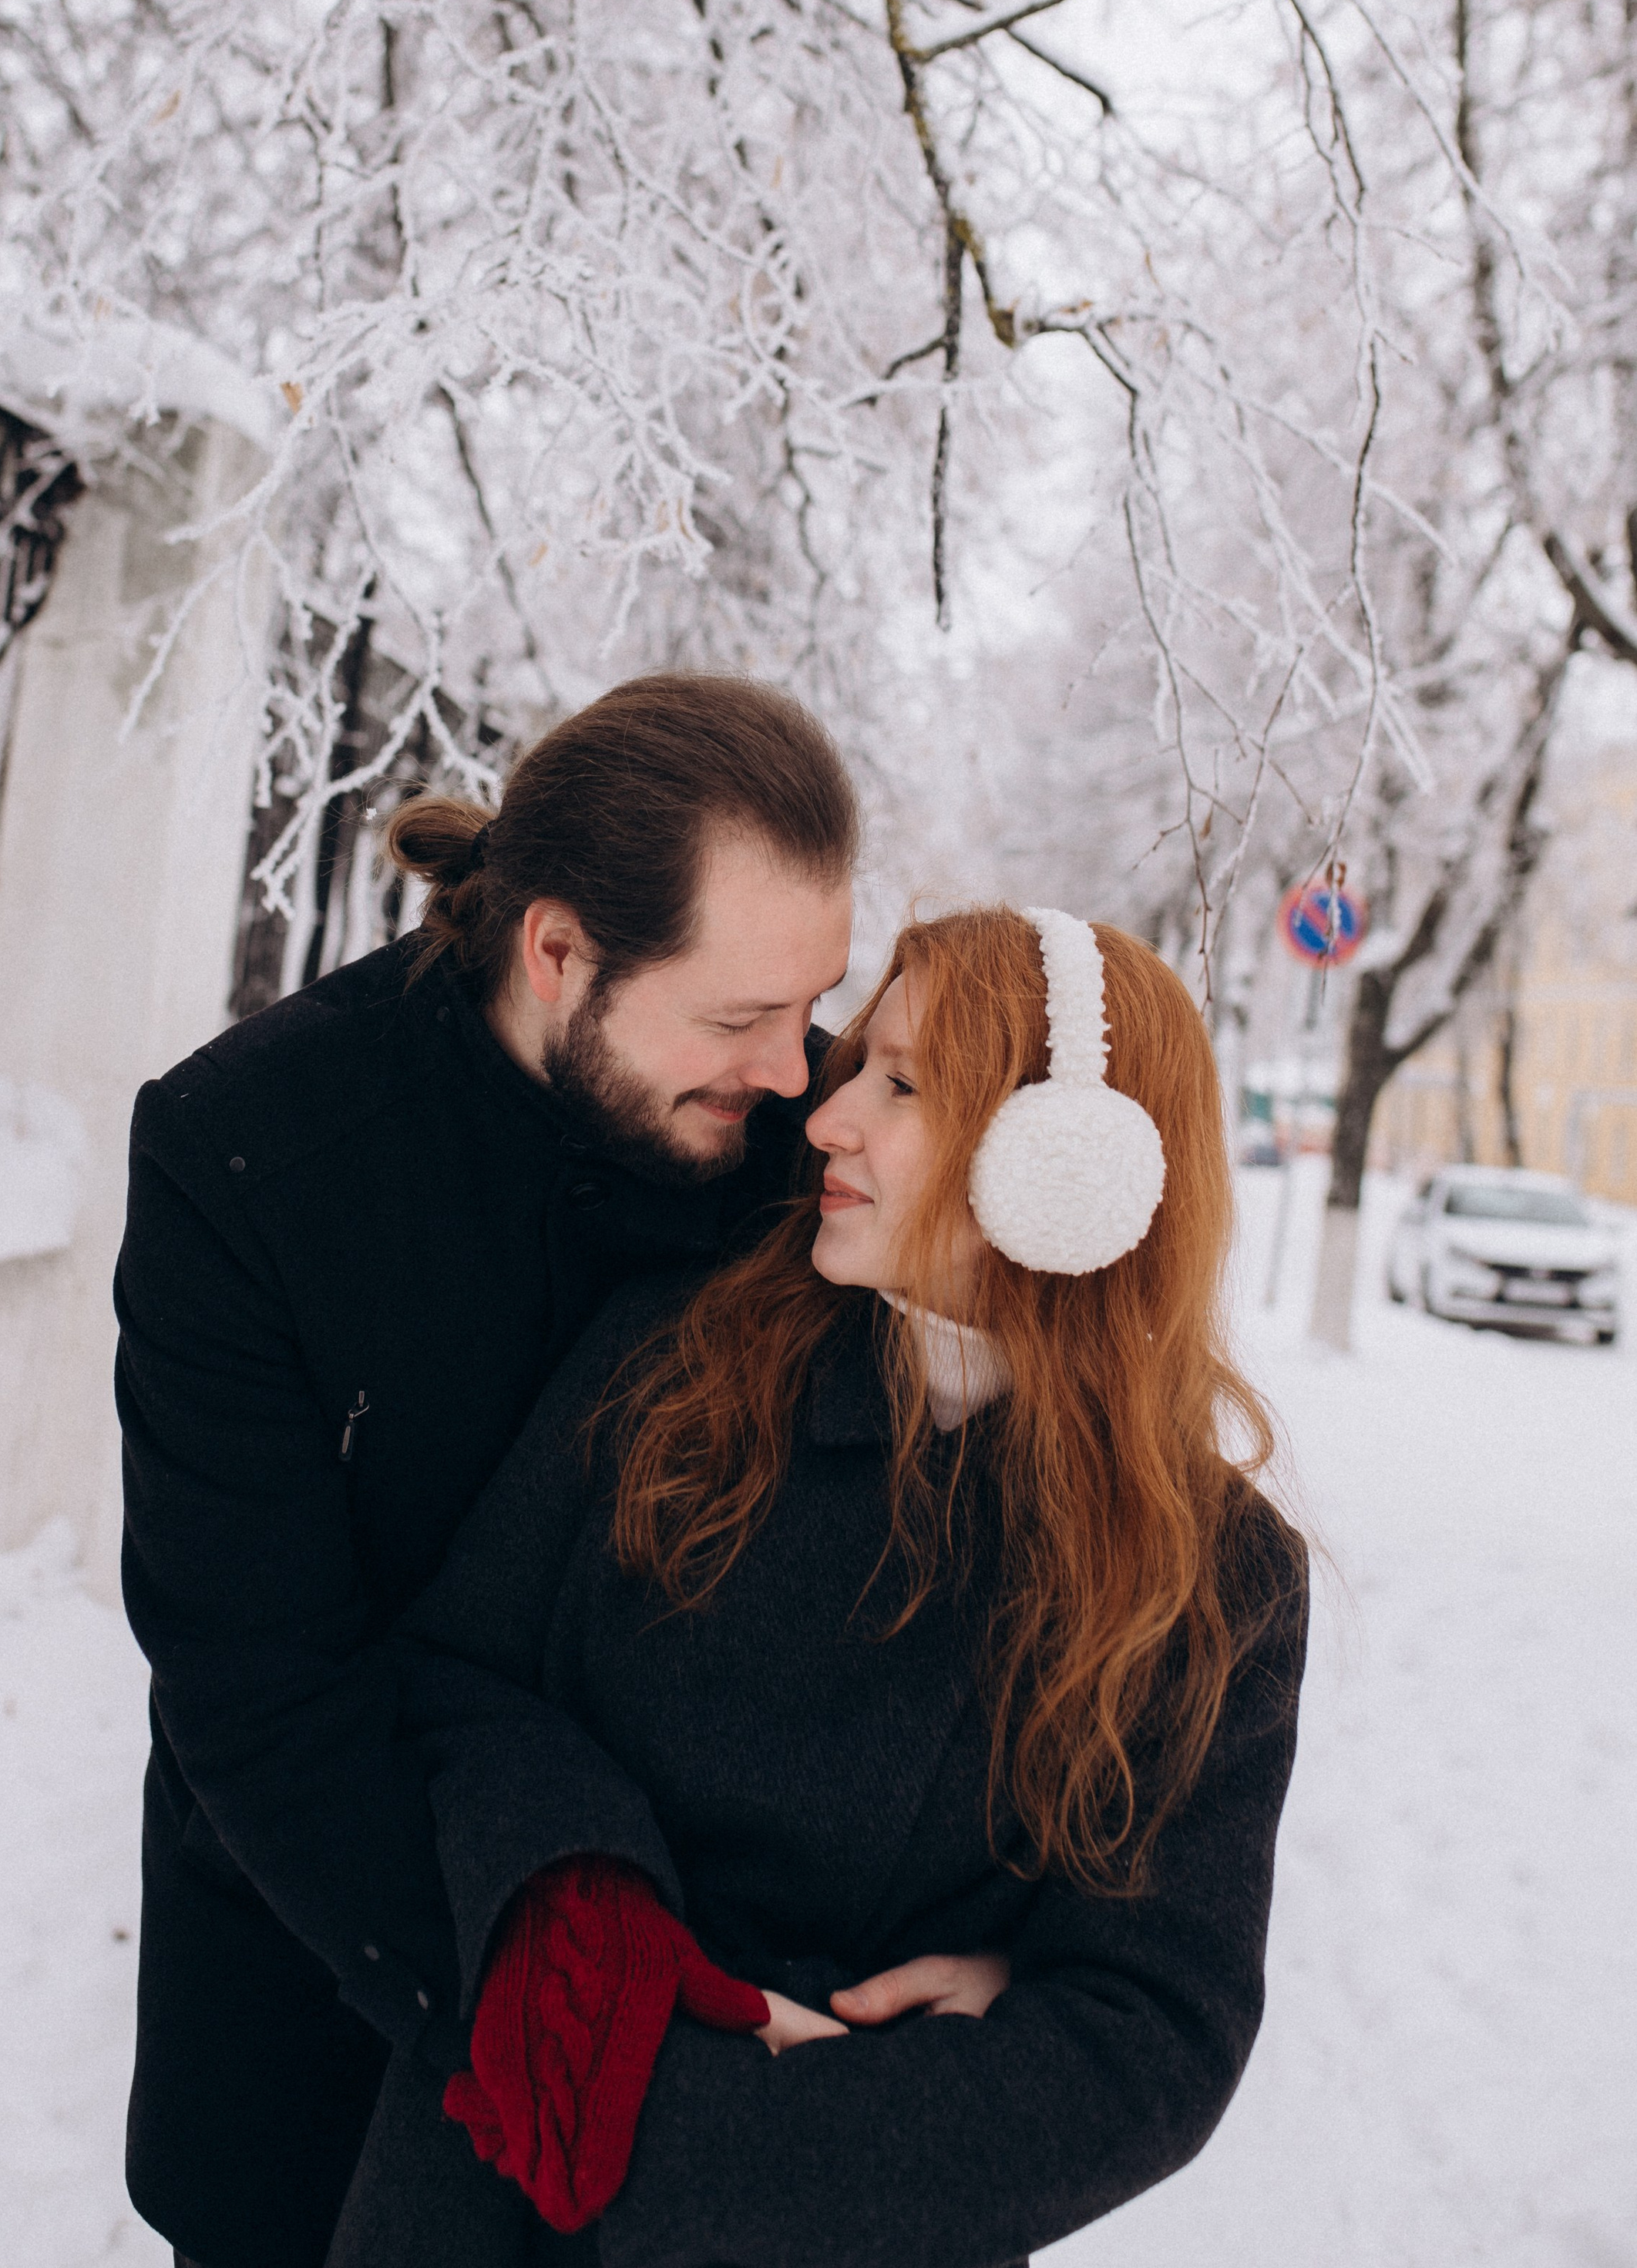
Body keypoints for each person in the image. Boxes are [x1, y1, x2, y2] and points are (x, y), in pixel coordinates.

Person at [325, 905, 1311, 2268]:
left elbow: (1154, 2031)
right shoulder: (678, 1365)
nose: (829, 1118)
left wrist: (705, 2133)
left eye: (899, 1085)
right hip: (506, 2172)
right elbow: (455, 1673)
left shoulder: (1209, 1574)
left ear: (1063, 1164)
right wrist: (580, 1924)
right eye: (859, 1069)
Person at [113, 674, 865, 2268]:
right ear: (555, 951)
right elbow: (254, 1681)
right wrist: (560, 2014)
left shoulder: (803, 1139)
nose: (797, 1072)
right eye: (740, 1019)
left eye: (811, 1007)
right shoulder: (246, 1159)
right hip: (329, 1978)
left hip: (706, 2010)